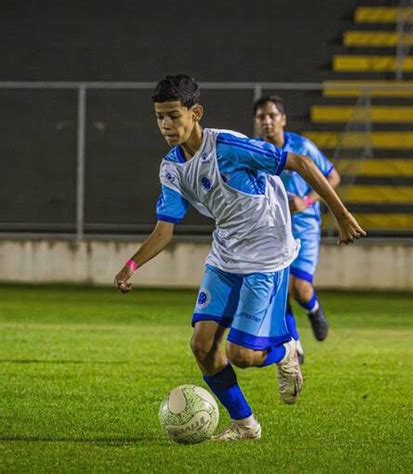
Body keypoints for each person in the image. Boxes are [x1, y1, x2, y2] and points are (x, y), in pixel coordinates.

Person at [114, 75, 365, 442]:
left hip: (268, 256)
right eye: (159, 118)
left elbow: (299, 163)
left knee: (243, 355)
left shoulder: (229, 147)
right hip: (226, 256)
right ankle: (246, 425)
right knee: (201, 346)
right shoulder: (171, 167)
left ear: (195, 112)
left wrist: (341, 215)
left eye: (173, 116)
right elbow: (164, 229)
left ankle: (284, 352)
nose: (166, 126)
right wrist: (132, 265)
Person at [254, 96, 340, 363]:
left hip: (304, 227)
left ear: (283, 119)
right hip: (271, 230)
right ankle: (295, 346)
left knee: (300, 288)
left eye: (272, 115)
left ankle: (314, 309)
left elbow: (333, 176)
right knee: (277, 288)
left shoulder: (301, 146)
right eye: (261, 117)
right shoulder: (254, 151)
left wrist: (307, 200)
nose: (267, 121)